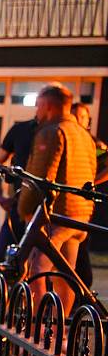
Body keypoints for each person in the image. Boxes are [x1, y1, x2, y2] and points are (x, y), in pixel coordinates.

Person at [18, 83, 97, 313]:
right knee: (66, 274)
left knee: (37, 270)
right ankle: (60, 333)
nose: (37, 112)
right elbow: (90, 172)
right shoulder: (84, 134)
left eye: (38, 106)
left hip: (58, 214)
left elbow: (41, 179)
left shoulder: (52, 132)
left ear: (48, 105)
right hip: (79, 216)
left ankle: (38, 331)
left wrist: (25, 210)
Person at [0, 114, 39, 263]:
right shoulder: (20, 130)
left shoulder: (74, 135)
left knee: (39, 263)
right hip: (20, 203)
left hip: (49, 207)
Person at [71, 102, 107, 286]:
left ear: (88, 120)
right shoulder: (68, 138)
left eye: (82, 116)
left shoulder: (95, 144)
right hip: (65, 200)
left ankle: (83, 288)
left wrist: (92, 182)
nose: (78, 120)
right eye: (75, 115)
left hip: (82, 205)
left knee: (80, 248)